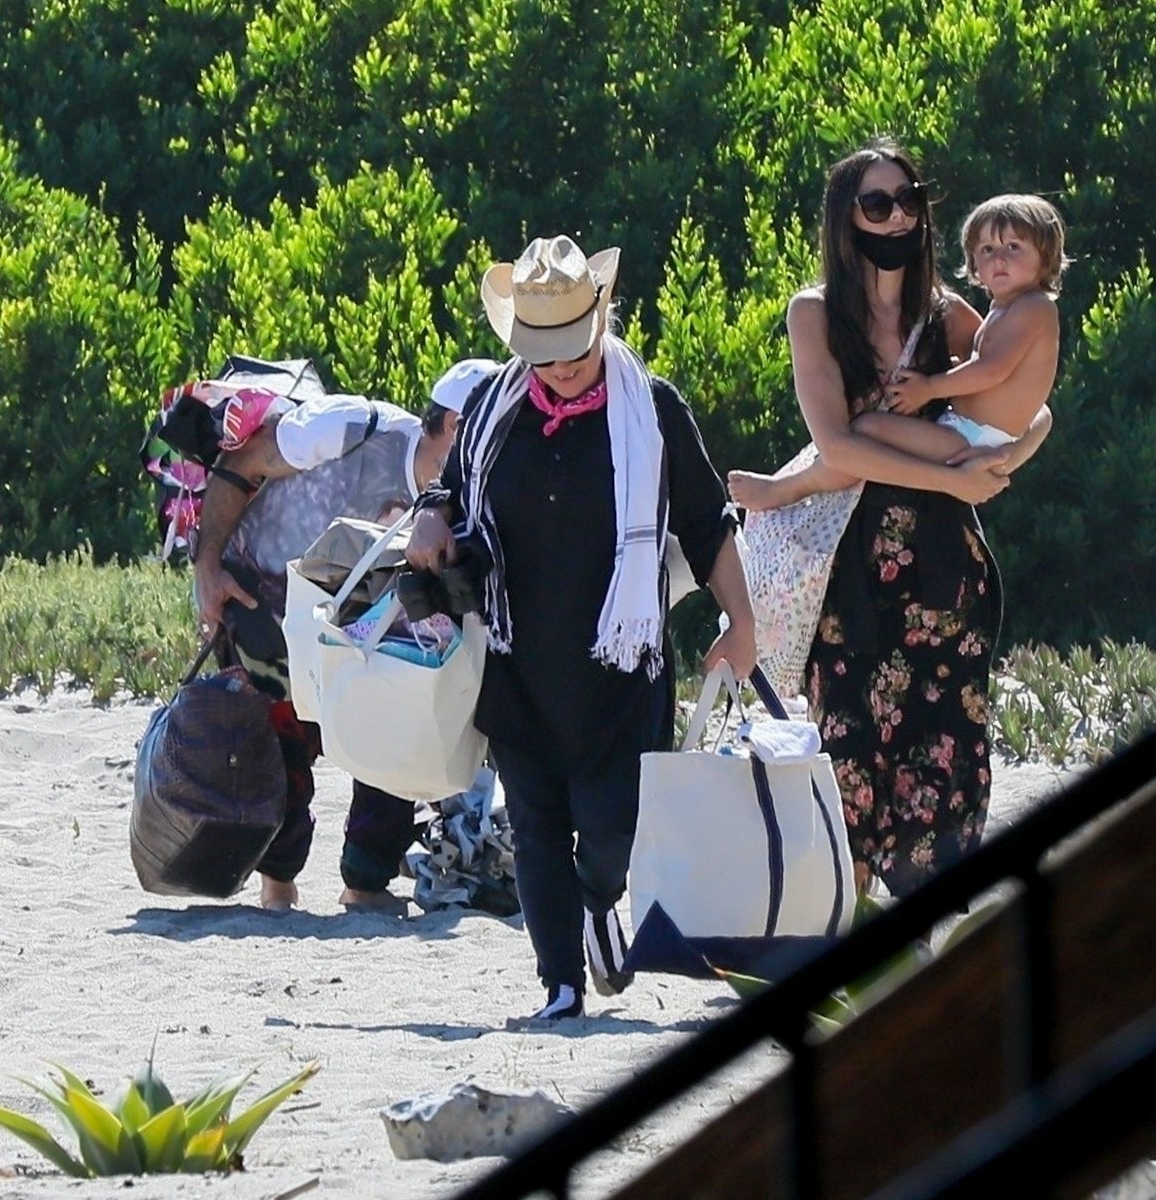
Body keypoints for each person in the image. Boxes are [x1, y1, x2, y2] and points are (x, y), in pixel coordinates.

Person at [405, 235, 758, 1023]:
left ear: (602, 318)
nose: (561, 368)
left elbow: (707, 526)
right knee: (535, 830)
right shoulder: (494, 412)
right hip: (517, 658)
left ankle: (602, 902)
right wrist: (430, 519)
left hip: (620, 667)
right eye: (545, 354)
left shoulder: (654, 408)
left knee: (609, 833)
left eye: (573, 349)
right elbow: (452, 493)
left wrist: (741, 622)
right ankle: (560, 986)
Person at [732, 140, 1052, 901]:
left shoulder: (951, 317)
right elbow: (840, 441)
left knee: (944, 753)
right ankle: (847, 922)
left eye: (910, 199)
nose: (899, 215)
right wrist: (956, 477)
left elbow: (1029, 404)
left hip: (944, 566)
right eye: (878, 204)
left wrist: (997, 467)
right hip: (847, 566)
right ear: (847, 220)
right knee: (846, 751)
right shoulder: (814, 313)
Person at [191, 360, 490, 913]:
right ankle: (277, 887)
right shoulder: (351, 429)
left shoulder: (479, 504)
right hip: (265, 598)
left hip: (369, 634)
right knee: (274, 752)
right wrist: (208, 566)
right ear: (453, 426)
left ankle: (366, 883)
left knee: (400, 722)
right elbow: (243, 462)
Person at [728, 192, 1066, 512]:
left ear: (1046, 256)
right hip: (964, 434)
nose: (1000, 258)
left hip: (969, 440)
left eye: (1014, 247)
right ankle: (792, 486)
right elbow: (994, 380)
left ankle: (791, 488)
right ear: (973, 264)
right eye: (988, 249)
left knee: (866, 433)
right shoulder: (1000, 310)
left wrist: (933, 388)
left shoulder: (1032, 308)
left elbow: (997, 373)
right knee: (857, 440)